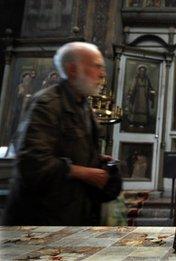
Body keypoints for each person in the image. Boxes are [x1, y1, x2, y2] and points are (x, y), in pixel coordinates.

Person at [2, 42, 121, 226]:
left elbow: (68, 148)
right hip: (40, 221)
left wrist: (96, 159)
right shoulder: (47, 104)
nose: (102, 74)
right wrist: (83, 172)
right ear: (73, 70)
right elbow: (33, 163)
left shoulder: (83, 106)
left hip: (70, 214)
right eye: (96, 66)